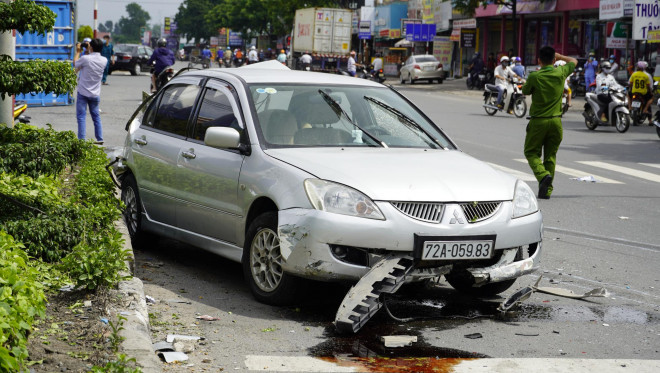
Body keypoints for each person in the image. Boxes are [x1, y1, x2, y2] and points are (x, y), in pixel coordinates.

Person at [521, 46, 576, 199]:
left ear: (539, 60)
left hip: (539, 122)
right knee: (550, 156)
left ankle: (542, 175)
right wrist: (561, 57)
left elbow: (525, 91)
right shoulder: (561, 72)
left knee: (531, 152)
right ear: (554, 60)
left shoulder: (535, 76)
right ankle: (546, 190)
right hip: (556, 122)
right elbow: (574, 61)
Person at [74, 38, 107, 144]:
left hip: (83, 92)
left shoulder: (85, 58)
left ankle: (82, 140)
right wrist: (90, 49)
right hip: (95, 93)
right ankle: (100, 139)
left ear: (91, 47)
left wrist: (78, 51)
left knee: (81, 117)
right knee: (96, 116)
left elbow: (75, 64)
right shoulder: (104, 60)